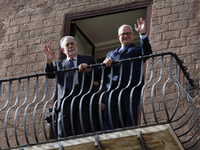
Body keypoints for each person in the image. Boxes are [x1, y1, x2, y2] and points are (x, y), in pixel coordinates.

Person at [43, 36, 100, 138]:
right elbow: (49, 74)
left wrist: (88, 69)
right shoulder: (58, 64)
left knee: (83, 129)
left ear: (76, 46)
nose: (70, 46)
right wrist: (49, 62)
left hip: (83, 96)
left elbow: (98, 75)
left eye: (72, 44)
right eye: (67, 45)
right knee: (64, 130)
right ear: (63, 50)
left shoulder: (87, 59)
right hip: (66, 98)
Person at [103, 18, 152, 130]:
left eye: (128, 33)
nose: (125, 36)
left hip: (131, 84)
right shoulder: (111, 53)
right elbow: (103, 72)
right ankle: (109, 133)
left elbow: (147, 53)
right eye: (123, 34)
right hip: (113, 86)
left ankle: (131, 131)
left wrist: (143, 34)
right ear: (119, 37)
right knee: (110, 112)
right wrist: (105, 64)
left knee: (130, 111)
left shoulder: (137, 50)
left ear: (132, 35)